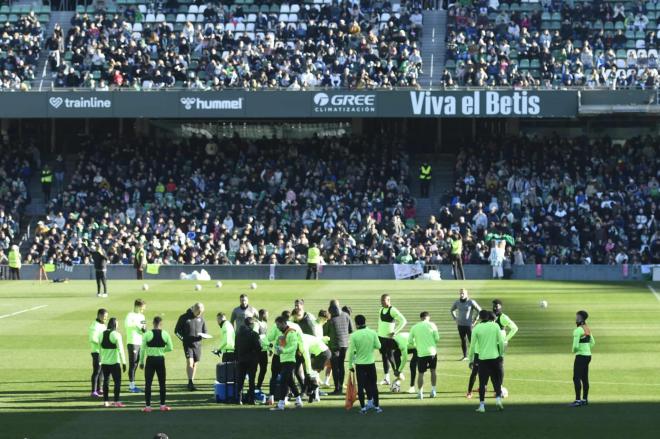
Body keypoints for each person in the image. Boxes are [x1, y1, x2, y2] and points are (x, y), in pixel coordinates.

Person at [469, 310, 505, 413]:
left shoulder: (477, 328)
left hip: (483, 359)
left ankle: (482, 406)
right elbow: (501, 342)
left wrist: (471, 358)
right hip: (495, 358)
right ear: (489, 317)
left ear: (480, 318)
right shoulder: (495, 326)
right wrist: (501, 354)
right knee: (496, 380)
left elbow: (472, 346)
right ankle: (498, 400)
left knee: (482, 383)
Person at [348, 314, 383, 414]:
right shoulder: (372, 332)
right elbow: (378, 345)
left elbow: (351, 352)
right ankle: (377, 407)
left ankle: (363, 408)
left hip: (360, 365)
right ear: (365, 321)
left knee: (361, 386)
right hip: (371, 364)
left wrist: (350, 365)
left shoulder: (354, 335)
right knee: (373, 386)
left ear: (356, 324)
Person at [139, 316, 174, 412]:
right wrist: (162, 350)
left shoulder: (147, 334)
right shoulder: (165, 334)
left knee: (148, 384)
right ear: (161, 324)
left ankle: (148, 407)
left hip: (150, 360)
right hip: (160, 360)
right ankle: (162, 406)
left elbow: (142, 349)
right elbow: (171, 348)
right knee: (162, 383)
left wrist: (141, 362)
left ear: (153, 323)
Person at [270, 316, 304, 411]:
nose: (277, 327)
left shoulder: (291, 333)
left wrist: (283, 350)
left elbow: (293, 347)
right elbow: (279, 347)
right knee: (290, 382)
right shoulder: (283, 334)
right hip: (284, 361)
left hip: (290, 361)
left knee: (283, 382)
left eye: (278, 325)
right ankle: (299, 401)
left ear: (283, 323)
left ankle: (280, 405)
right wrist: (277, 345)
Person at [174, 303, 207, 391]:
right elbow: (176, 331)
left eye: (201, 312)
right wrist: (183, 339)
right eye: (198, 312)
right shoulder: (184, 317)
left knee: (195, 363)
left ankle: (192, 380)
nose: (199, 314)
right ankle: (190, 382)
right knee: (190, 362)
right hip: (187, 344)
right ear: (194, 309)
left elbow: (205, 331)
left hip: (197, 345)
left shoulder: (201, 319)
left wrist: (203, 336)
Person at [324, 299, 353, 395]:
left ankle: (337, 388)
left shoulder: (330, 319)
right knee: (341, 366)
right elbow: (350, 330)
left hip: (334, 345)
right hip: (344, 345)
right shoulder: (346, 315)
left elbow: (325, 332)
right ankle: (340, 386)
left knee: (335, 367)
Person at [378, 294, 407, 386]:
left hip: (389, 339)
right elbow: (380, 323)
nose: (382, 302)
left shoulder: (393, 310)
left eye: (384, 300)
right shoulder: (381, 310)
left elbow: (403, 321)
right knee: (384, 357)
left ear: (389, 300)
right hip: (381, 338)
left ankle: (398, 373)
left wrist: (394, 332)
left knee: (390, 357)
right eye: (381, 300)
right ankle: (387, 378)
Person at [409, 311, 440, 399]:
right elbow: (437, 338)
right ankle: (433, 390)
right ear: (428, 317)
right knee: (433, 371)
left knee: (421, 373)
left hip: (421, 353)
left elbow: (410, 341)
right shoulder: (432, 325)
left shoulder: (414, 327)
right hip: (432, 352)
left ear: (421, 318)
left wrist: (417, 345)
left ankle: (420, 393)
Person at [492, 298, 518, 396]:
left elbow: (515, 328)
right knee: (492, 366)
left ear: (500, 307)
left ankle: (499, 386)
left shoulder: (503, 317)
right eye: (494, 305)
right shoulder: (492, 316)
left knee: (499, 366)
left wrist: (506, 339)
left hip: (501, 345)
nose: (494, 307)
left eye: (496, 306)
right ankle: (495, 386)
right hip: (493, 344)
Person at [100, 317, 127, 408]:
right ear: (115, 325)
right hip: (115, 363)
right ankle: (116, 401)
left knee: (106, 382)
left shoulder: (101, 334)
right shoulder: (116, 334)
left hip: (104, 363)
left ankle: (106, 401)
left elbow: (100, 349)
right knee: (117, 382)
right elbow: (121, 350)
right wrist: (124, 363)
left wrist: (100, 360)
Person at [570, 310, 595, 407]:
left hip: (580, 356)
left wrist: (575, 350)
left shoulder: (577, 330)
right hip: (588, 356)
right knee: (584, 378)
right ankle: (585, 399)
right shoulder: (587, 329)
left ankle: (578, 400)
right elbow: (593, 343)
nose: (575, 318)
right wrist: (587, 349)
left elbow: (575, 345)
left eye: (577, 317)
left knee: (576, 377)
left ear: (580, 318)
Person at [235, 317, 262, 405]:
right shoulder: (254, 334)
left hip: (241, 359)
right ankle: (251, 399)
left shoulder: (238, 334)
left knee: (240, 379)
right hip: (251, 360)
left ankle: (239, 399)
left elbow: (236, 347)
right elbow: (258, 347)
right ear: (251, 324)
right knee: (251, 380)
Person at [450, 289, 481, 360]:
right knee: (463, 340)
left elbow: (480, 310)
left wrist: (475, 320)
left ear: (467, 294)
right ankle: (465, 356)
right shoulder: (457, 302)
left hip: (469, 325)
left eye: (463, 293)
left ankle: (475, 356)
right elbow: (452, 310)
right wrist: (455, 318)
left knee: (472, 341)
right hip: (460, 325)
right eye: (460, 293)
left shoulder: (471, 302)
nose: (461, 295)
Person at [125, 299, 147, 393]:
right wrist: (137, 326)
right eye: (142, 308)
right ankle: (131, 386)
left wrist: (144, 329)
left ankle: (132, 384)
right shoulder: (130, 315)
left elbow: (144, 327)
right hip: (132, 342)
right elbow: (127, 325)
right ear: (137, 307)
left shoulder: (142, 316)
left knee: (136, 363)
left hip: (140, 342)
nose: (143, 310)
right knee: (132, 364)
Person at [301, 333, 331, 402]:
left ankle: (315, 396)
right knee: (314, 374)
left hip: (322, 354)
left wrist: (309, 370)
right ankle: (314, 395)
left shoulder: (302, 341)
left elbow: (307, 357)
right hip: (323, 353)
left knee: (313, 374)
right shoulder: (304, 336)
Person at [89, 308, 108, 397]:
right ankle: (93, 391)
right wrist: (103, 343)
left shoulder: (102, 324)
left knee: (102, 371)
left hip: (102, 351)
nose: (105, 319)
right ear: (99, 316)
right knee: (96, 371)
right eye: (104, 317)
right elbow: (93, 339)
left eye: (106, 317)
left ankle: (99, 389)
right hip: (96, 352)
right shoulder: (95, 326)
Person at [256, 309, 269, 392]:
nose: (268, 316)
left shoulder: (265, 324)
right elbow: (256, 336)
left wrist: (269, 348)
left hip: (264, 350)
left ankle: (258, 386)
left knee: (263, 369)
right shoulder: (256, 324)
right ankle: (253, 386)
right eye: (266, 314)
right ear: (262, 315)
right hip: (257, 350)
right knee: (254, 369)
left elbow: (266, 338)